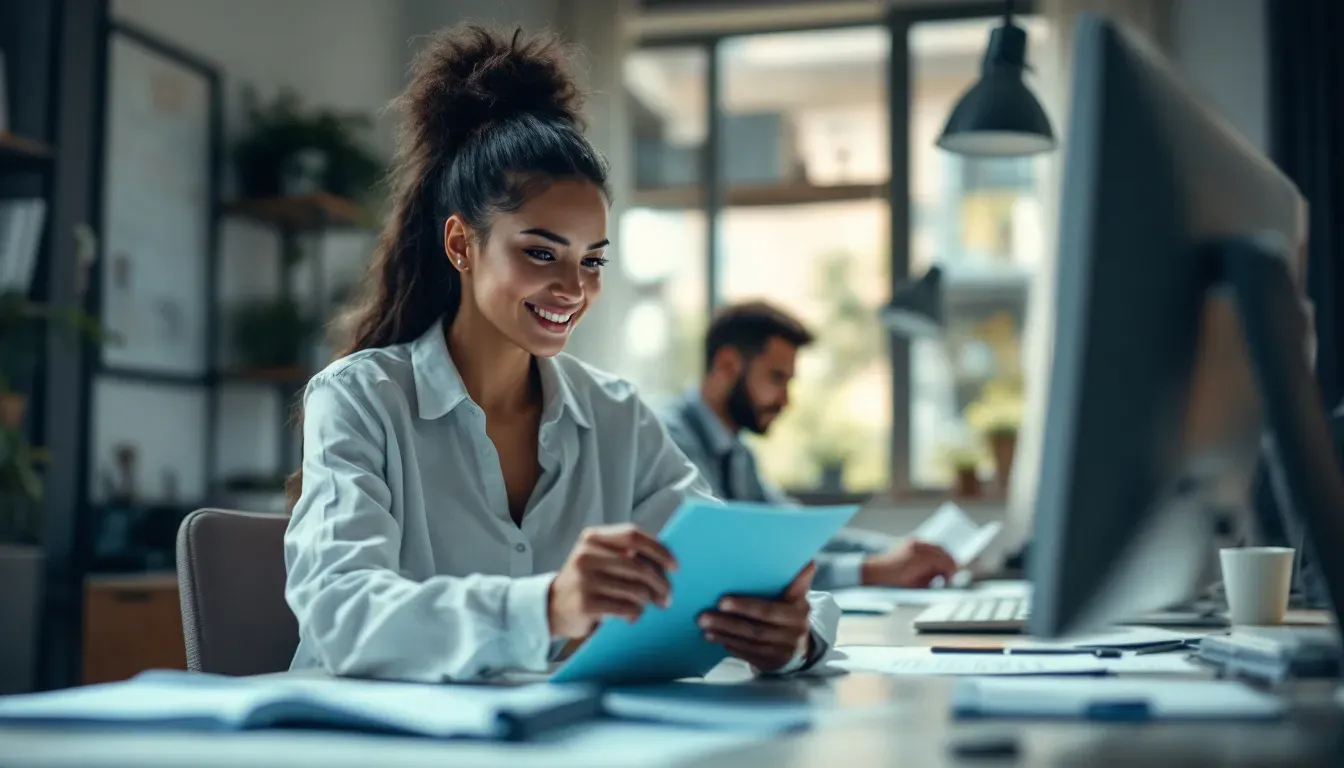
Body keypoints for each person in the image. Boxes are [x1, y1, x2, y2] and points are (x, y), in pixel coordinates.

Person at [282, 25, 837, 683]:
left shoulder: (614, 415)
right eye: (541, 253)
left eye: (592, 260)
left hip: (542, 728)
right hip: (361, 732)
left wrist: (794, 635)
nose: (573, 289)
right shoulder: (359, 399)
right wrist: (547, 607)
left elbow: (731, 567)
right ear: (460, 245)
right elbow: (340, 610)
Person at [662, 301, 958, 591]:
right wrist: (873, 569)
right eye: (777, 378)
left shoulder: (738, 454)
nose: (785, 400)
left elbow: (796, 531)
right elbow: (732, 560)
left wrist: (901, 552)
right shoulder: (672, 443)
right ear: (727, 365)